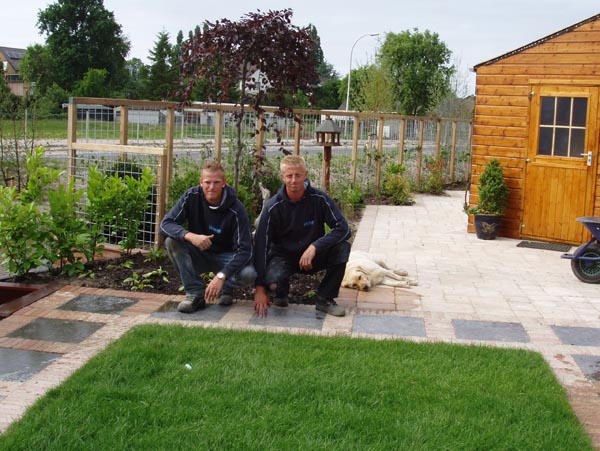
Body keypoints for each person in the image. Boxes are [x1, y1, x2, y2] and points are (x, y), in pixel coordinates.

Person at [253, 155, 351, 317]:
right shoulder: (272, 207)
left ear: (305, 175)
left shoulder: (319, 199)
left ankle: (324, 299)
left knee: (342, 248)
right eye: (289, 176)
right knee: (272, 283)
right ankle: (280, 293)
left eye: (298, 175)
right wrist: (260, 288)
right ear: (282, 177)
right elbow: (261, 247)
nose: (294, 180)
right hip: (283, 257)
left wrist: (315, 247)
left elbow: (343, 229)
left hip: (313, 256)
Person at [160, 161, 256, 313]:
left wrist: (221, 275)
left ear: (224, 182)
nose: (211, 187)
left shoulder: (236, 209)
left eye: (216, 182)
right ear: (200, 182)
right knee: (172, 241)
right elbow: (166, 224)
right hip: (201, 254)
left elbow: (245, 251)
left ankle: (226, 287)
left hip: (227, 257)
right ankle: (195, 294)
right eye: (207, 182)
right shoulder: (191, 196)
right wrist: (190, 236)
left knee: (249, 274)